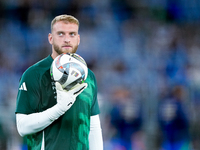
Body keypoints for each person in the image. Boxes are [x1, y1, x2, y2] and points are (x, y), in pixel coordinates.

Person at [15, 14, 103, 150]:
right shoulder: (33, 74)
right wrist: (58, 109)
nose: (67, 39)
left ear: (78, 39)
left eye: (72, 34)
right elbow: (22, 127)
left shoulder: (88, 75)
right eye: (61, 34)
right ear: (51, 38)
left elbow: (93, 125)